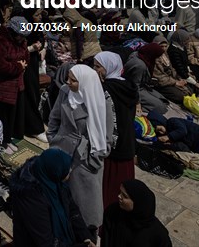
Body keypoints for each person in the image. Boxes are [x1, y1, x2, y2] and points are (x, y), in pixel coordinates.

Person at [47, 64, 115, 232]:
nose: (68, 82)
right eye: (68, 78)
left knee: (85, 214)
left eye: (73, 80)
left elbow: (107, 138)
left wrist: (93, 160)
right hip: (61, 153)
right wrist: (53, 139)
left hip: (84, 162)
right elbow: (54, 118)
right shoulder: (65, 91)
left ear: (85, 82)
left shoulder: (101, 101)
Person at [8, 147, 95, 247]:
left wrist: (85, 236)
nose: (70, 171)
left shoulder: (53, 180)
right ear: (55, 172)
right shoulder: (31, 198)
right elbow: (46, 242)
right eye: (66, 169)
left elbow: (72, 210)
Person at [94, 51, 139, 212]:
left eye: (98, 66)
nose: (95, 70)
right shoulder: (129, 87)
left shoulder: (105, 89)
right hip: (127, 145)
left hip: (112, 149)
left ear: (109, 67)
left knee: (109, 191)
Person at [101, 179, 172, 247]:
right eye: (120, 192)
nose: (119, 196)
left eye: (125, 196)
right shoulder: (112, 212)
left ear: (137, 203)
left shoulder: (158, 234)